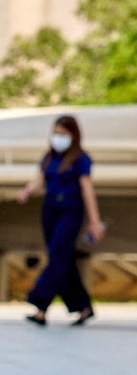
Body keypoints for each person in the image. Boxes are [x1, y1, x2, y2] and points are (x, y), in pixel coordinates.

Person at [17, 113, 103, 326]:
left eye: (63, 134)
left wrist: (95, 222)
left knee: (57, 256)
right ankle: (83, 306)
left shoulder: (81, 159)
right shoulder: (49, 158)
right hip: (50, 209)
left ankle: (40, 304)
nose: (58, 138)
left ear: (73, 136)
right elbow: (38, 181)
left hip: (70, 209)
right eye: (56, 133)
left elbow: (87, 190)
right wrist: (27, 191)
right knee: (63, 259)